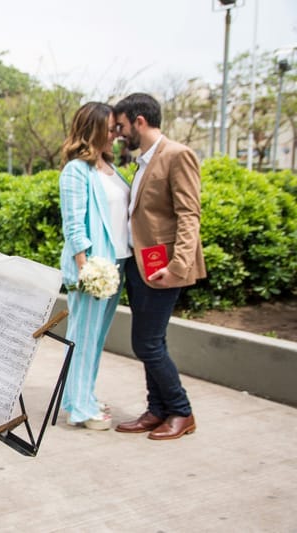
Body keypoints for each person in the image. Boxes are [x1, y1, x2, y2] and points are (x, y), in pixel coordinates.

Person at [113, 93, 206, 440]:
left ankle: (181, 412)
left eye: (121, 125)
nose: (119, 132)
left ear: (139, 121)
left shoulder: (177, 155)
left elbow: (189, 215)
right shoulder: (143, 161)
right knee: (154, 341)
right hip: (141, 265)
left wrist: (179, 265)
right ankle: (157, 410)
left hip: (164, 268)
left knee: (147, 343)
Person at [58, 102, 131, 430]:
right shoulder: (76, 170)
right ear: (95, 128)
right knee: (83, 337)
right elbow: (74, 224)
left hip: (116, 263)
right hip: (93, 267)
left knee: (95, 338)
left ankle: (80, 396)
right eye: (112, 127)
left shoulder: (111, 168)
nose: (117, 134)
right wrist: (86, 268)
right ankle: (80, 409)